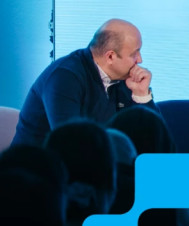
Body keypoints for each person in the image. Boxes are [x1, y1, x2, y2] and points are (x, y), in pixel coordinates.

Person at [12, 19, 155, 147]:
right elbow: (70, 144)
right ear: (110, 56)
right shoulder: (64, 77)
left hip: (99, 162)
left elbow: (155, 139)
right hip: (39, 165)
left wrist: (141, 95)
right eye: (134, 54)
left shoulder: (124, 77)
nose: (140, 60)